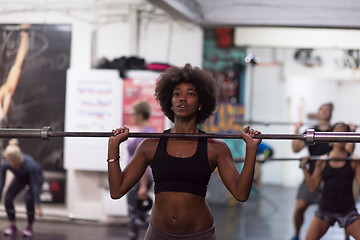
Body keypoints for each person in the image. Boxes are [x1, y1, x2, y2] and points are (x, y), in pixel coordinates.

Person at [107, 63, 262, 239]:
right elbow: (117, 190)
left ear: (201, 103)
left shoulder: (215, 148)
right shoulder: (150, 145)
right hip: (158, 234)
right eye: (176, 94)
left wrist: (251, 150)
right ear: (169, 103)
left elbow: (240, 194)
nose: (182, 98)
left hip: (199, 235)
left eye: (190, 94)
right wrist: (113, 147)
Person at [290, 103, 355, 240]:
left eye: (328, 110)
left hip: (339, 184)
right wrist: (296, 130)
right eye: (322, 109)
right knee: (299, 208)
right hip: (317, 174)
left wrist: (352, 133)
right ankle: (296, 233)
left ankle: (347, 236)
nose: (339, 137)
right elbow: (295, 149)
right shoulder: (311, 132)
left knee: (347, 207)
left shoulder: (339, 133)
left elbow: (348, 152)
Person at [300, 122, 360, 240]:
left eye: (343, 134)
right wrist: (304, 168)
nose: (339, 137)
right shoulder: (322, 160)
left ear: (348, 137)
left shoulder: (354, 161)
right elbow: (312, 187)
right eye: (337, 133)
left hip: (347, 210)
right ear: (330, 136)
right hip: (325, 210)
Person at [0, 139, 44, 237]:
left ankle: (29, 227)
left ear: (18, 159)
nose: (10, 163)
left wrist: (38, 205)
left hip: (35, 179)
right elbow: (1, 183)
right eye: (8, 160)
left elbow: (35, 187)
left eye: (12, 161)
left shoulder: (31, 166)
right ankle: (13, 226)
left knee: (28, 200)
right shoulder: (5, 163)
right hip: (20, 178)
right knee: (7, 198)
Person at [126, 100, 154, 240]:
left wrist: (143, 187)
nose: (132, 116)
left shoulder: (144, 134)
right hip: (140, 178)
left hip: (138, 179)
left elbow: (143, 162)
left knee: (133, 214)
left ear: (141, 115)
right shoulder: (148, 132)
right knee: (140, 212)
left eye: (134, 114)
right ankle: (161, 231)